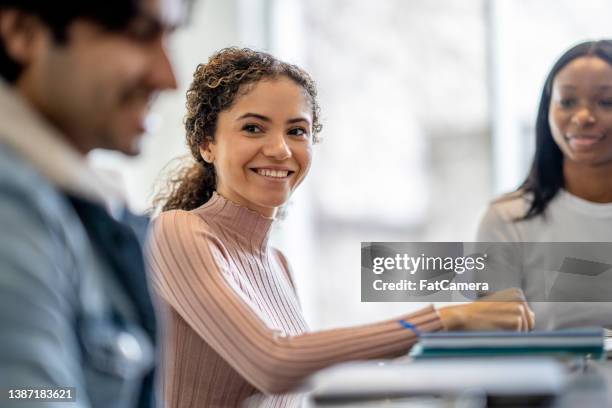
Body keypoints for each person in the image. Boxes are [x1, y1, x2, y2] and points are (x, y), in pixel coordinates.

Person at [148, 47, 535, 408]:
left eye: (296, 131)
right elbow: (274, 364)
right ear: (206, 144)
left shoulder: (277, 263)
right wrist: (446, 319)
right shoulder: (178, 232)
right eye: (253, 128)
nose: (280, 149)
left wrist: (462, 342)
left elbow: (311, 376)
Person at [0, 0, 186, 407]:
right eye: (139, 34)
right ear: (23, 33)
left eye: (299, 130)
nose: (169, 77)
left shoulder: (85, 206)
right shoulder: (11, 206)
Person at [476, 40, 612, 329]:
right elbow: (495, 337)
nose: (583, 117)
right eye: (567, 101)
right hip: (543, 375)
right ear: (548, 111)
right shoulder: (507, 220)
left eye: (606, 102)